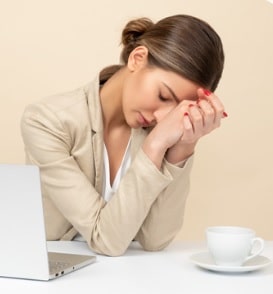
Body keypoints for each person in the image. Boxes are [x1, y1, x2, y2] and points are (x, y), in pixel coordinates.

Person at [21, 14, 226, 256]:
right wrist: (155, 145)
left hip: (126, 277)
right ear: (137, 59)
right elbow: (105, 240)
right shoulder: (46, 121)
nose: (162, 119)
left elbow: (155, 239)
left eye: (176, 110)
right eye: (162, 95)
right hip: (54, 271)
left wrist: (184, 145)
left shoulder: (161, 130)